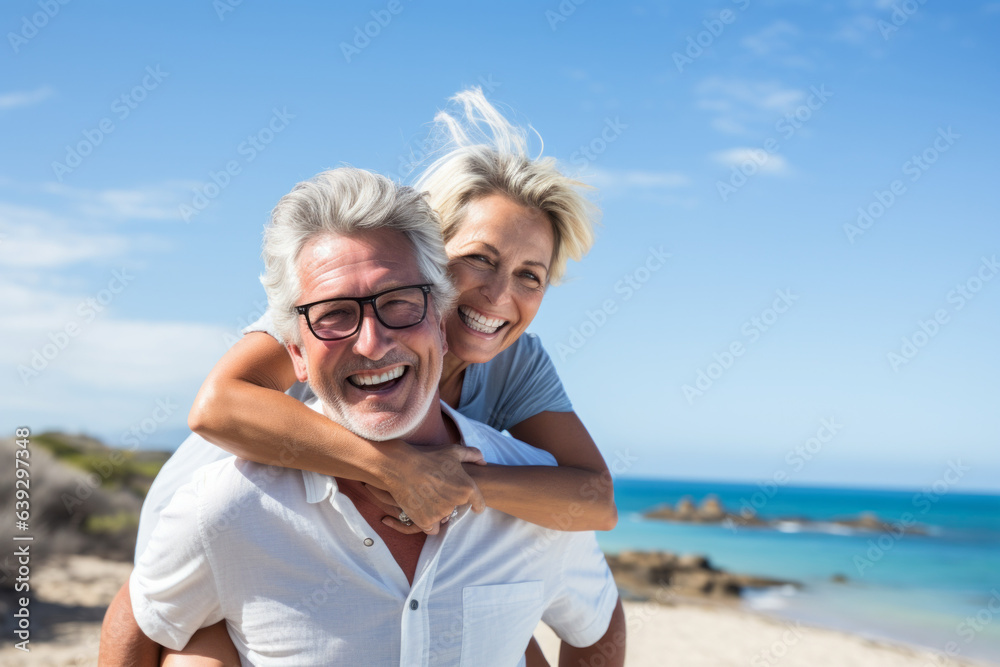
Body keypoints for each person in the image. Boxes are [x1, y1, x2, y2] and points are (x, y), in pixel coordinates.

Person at [100, 88, 626, 665]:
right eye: (480, 258)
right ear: (428, 251)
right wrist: (394, 468)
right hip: (242, 544)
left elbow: (593, 497)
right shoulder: (327, 316)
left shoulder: (517, 361)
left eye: (531, 275)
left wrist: (460, 485)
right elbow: (217, 407)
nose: (500, 295)